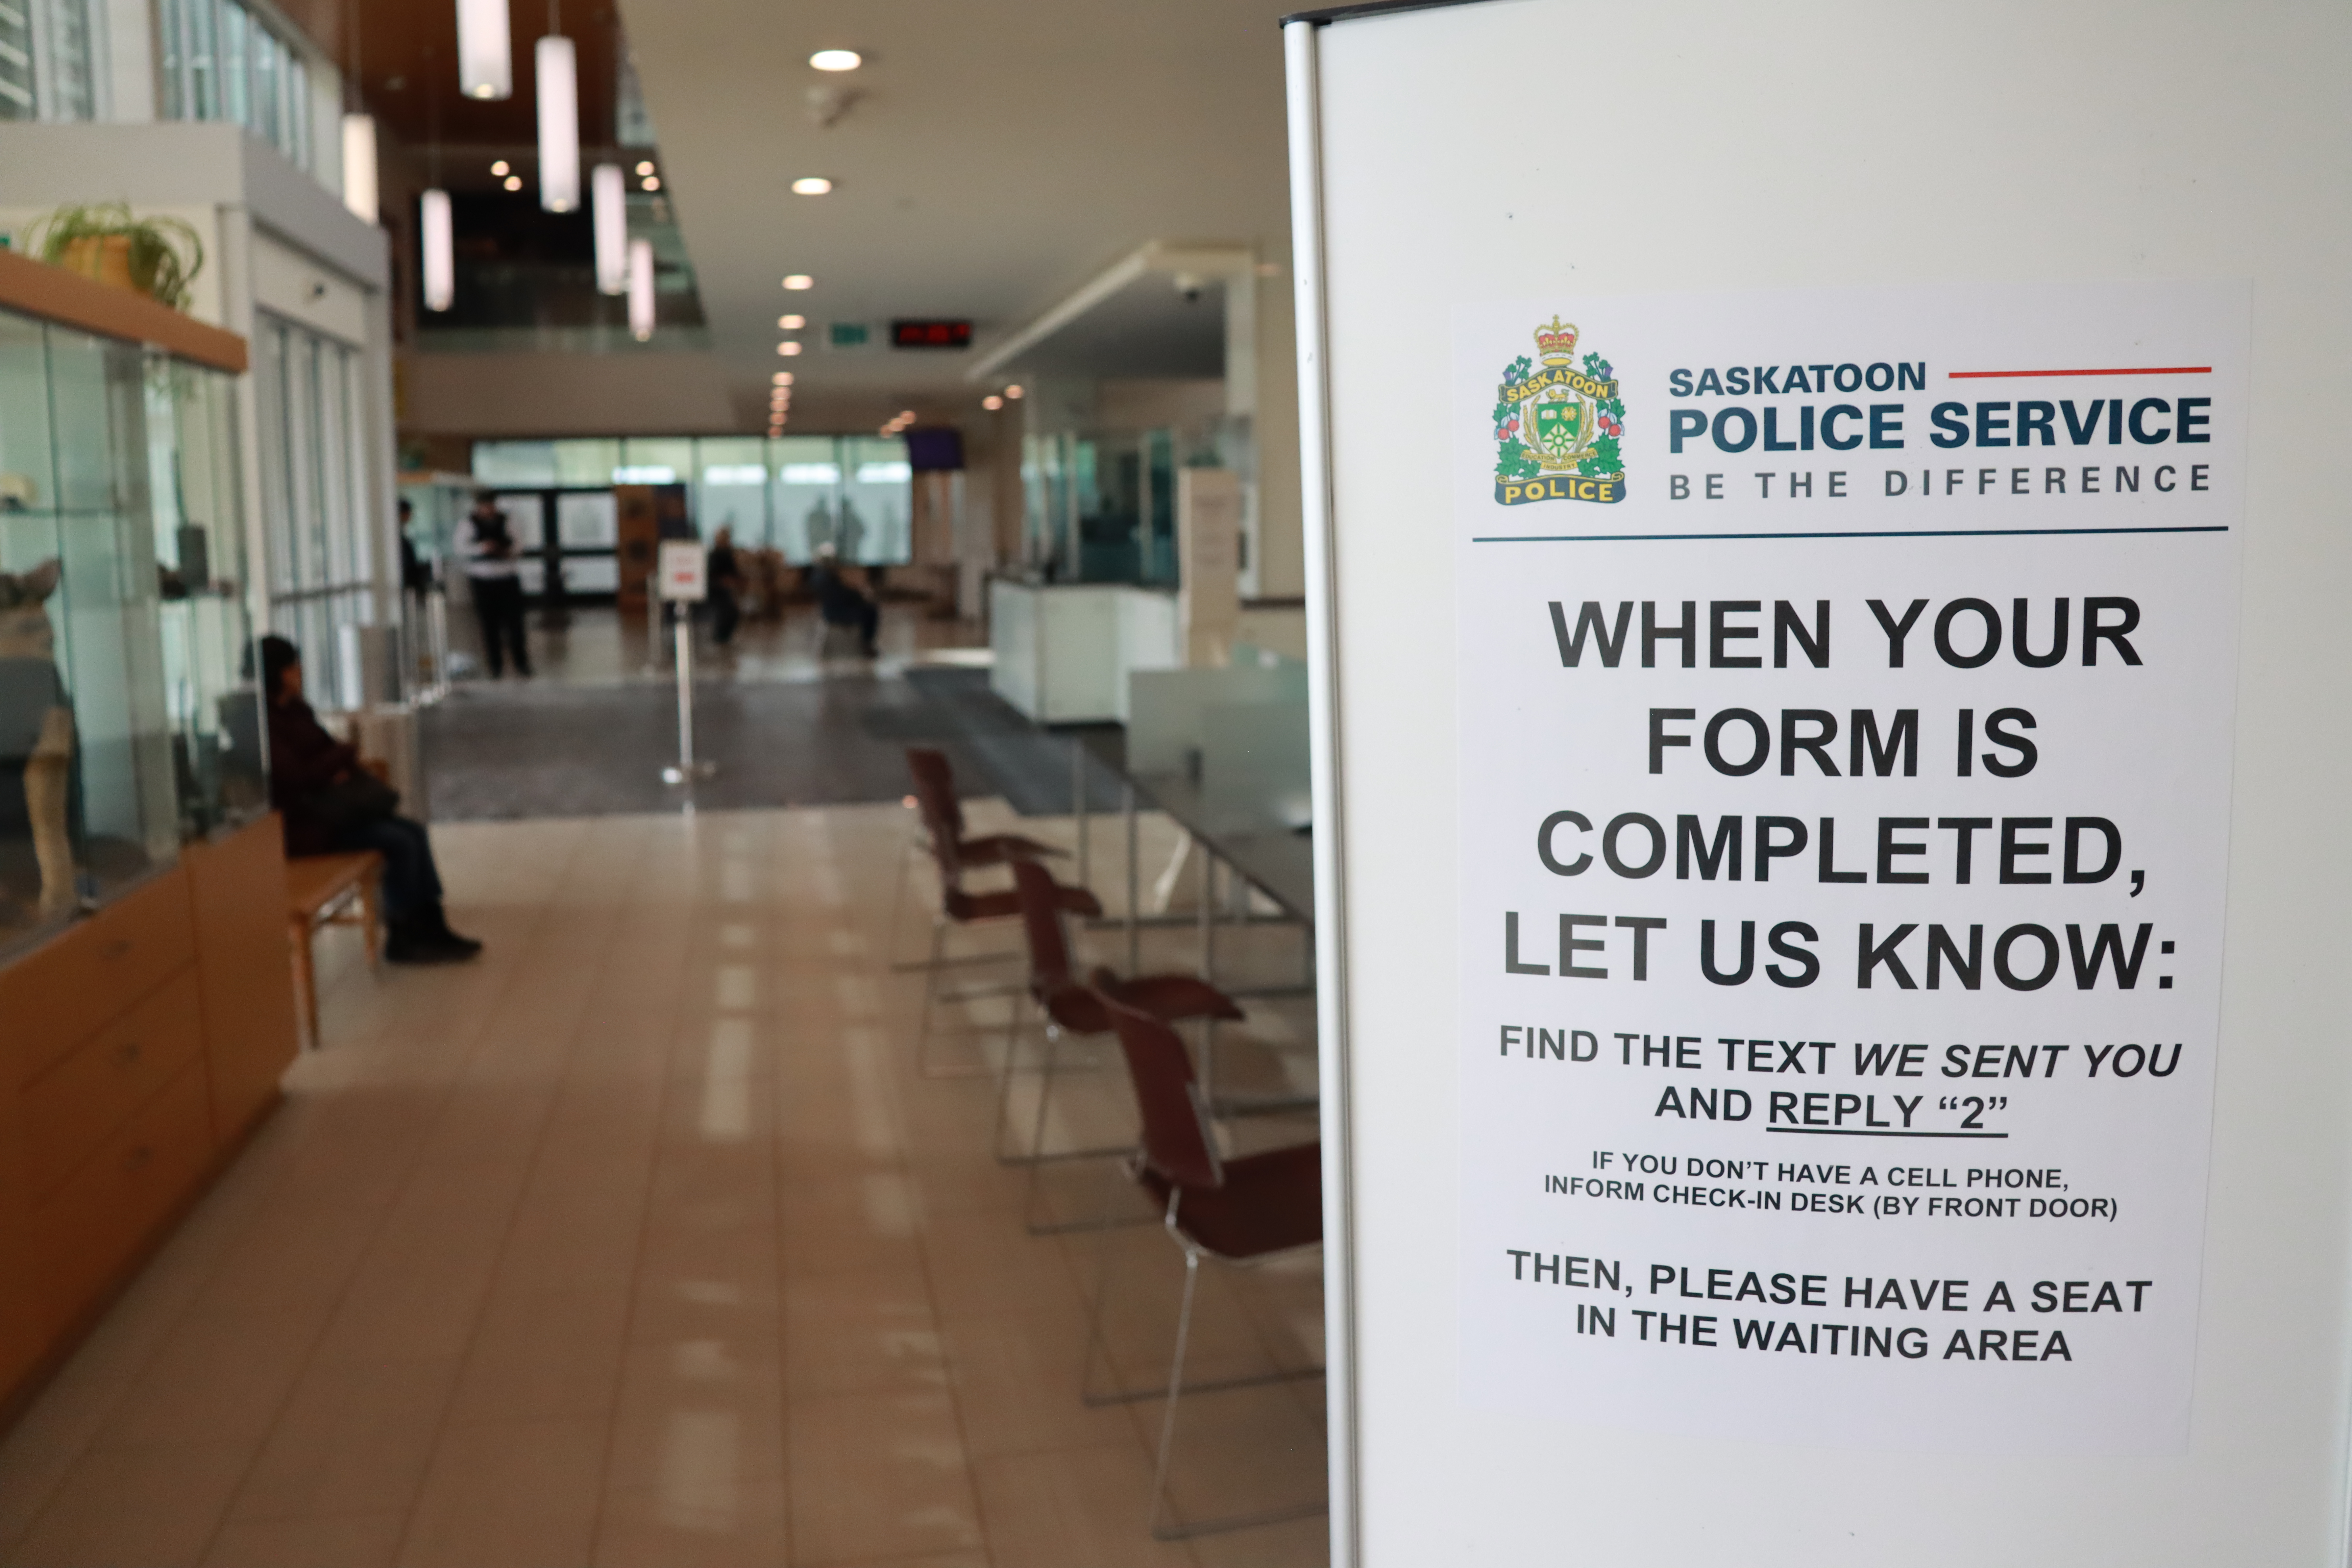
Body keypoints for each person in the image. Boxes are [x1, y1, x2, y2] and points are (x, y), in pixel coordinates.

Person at [259, 635, 481, 964]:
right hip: (308, 824)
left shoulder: (295, 709)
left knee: (413, 832)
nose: (301, 672)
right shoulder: (265, 724)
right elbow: (297, 775)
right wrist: (339, 759)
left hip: (331, 809)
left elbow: (321, 757)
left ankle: (432, 924)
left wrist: (333, 763)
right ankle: (404, 934)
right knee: (398, 841)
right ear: (282, 672)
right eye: (295, 665)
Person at [456, 492, 532, 678]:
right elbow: (460, 548)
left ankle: (521, 663)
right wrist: (483, 548)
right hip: (482, 579)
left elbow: (519, 545)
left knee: (515, 624)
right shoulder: (468, 524)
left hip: (506, 577)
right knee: (489, 625)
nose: (488, 510)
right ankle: (495, 666)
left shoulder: (507, 521)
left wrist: (506, 550)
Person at [809, 542, 879, 657]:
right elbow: (842, 594)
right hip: (838, 613)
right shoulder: (826, 578)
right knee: (871, 611)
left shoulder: (820, 576)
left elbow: (841, 592)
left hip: (832, 610)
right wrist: (860, 595)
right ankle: (866, 644)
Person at [707, 526, 744, 647]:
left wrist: (734, 582)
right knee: (726, 610)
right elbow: (711, 575)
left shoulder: (728, 554)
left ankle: (725, 636)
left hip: (727, 589)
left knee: (733, 611)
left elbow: (734, 572)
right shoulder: (713, 555)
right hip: (715, 590)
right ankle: (720, 636)